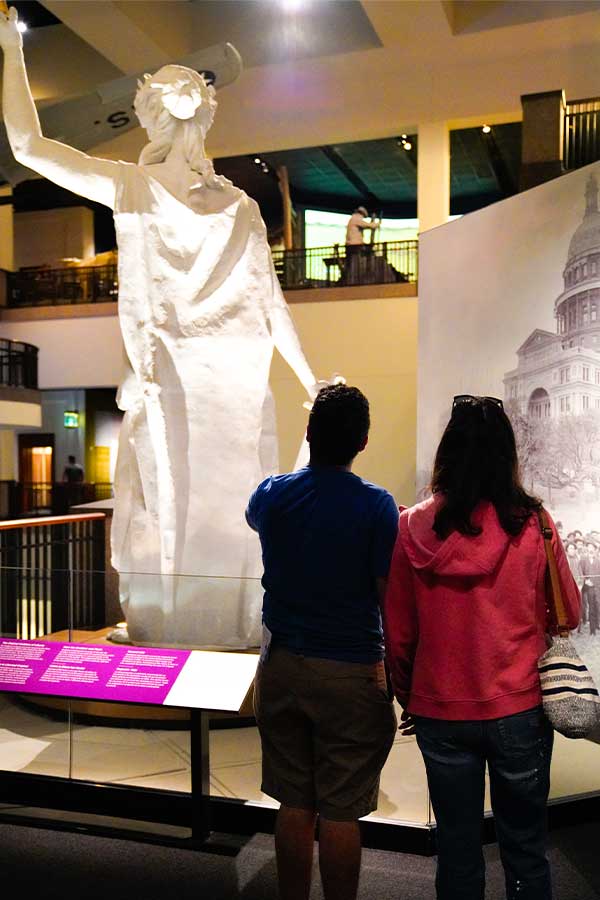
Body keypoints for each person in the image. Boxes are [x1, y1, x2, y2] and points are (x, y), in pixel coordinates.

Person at [0, 7, 321, 649]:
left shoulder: (237, 206)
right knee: (165, 502)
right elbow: (28, 147)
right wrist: (13, 53)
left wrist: (309, 379)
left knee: (227, 511)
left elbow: (267, 300)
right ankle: (173, 624)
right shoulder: (133, 188)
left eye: (185, 90)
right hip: (172, 378)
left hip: (228, 381)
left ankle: (225, 624)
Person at [384, 394, 580, 900]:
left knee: (456, 848)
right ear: (507, 453)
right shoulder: (534, 523)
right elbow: (570, 612)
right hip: (520, 707)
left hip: (439, 710)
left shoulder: (410, 528)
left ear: (447, 451)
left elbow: (399, 633)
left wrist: (412, 696)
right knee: (525, 848)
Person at [246, 384, 399, 900]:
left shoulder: (271, 494)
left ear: (309, 433)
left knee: (294, 801)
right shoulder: (379, 507)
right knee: (340, 809)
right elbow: (386, 597)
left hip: (284, 663)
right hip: (352, 669)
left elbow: (255, 518)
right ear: (363, 441)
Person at [344, 206, 380, 285]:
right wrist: (376, 224)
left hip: (351, 245)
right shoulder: (356, 219)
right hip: (354, 245)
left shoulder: (352, 219)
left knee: (351, 263)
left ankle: (352, 277)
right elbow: (368, 226)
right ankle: (355, 278)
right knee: (355, 262)